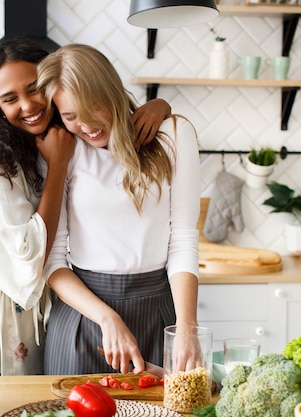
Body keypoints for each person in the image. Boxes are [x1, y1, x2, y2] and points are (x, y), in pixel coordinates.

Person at [0, 38, 171, 376]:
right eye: (10, 99)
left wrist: (160, 106)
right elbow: (31, 255)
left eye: (34, 88)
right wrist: (59, 166)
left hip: (43, 313)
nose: (27, 105)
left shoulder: (52, 140)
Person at [36, 43, 201, 376]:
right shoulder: (62, 149)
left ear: (111, 92)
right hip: (83, 320)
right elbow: (52, 260)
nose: (86, 125)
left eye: (93, 107)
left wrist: (186, 327)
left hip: (159, 315)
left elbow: (182, 239)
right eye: (70, 116)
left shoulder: (173, 134)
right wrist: (106, 318)